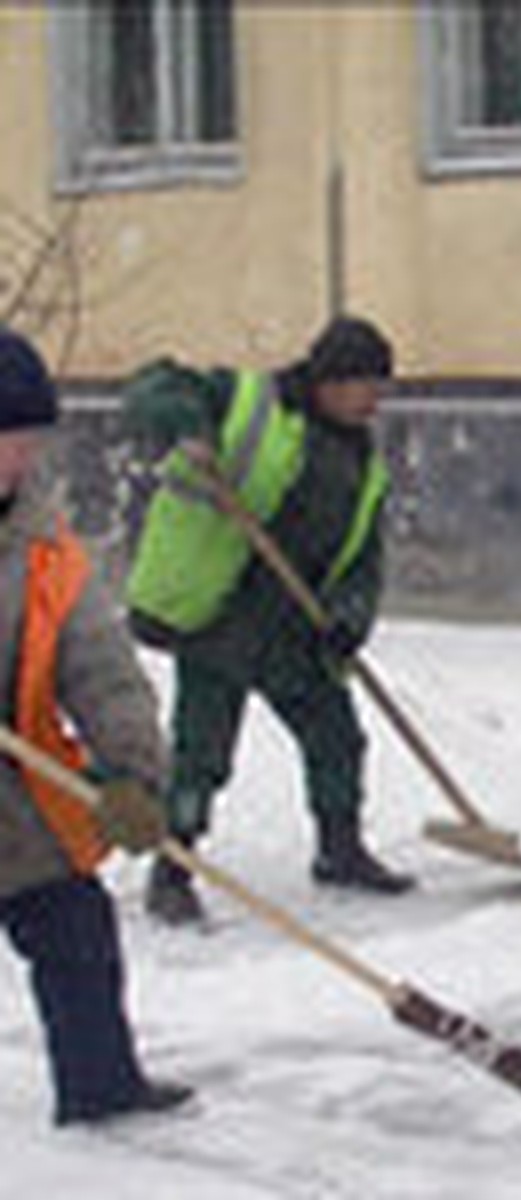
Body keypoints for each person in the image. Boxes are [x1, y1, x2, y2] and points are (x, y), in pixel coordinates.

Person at [125, 316, 415, 926]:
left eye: (381, 388)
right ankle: (173, 871)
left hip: (296, 631)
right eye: (366, 385)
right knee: (201, 754)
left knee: (337, 738)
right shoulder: (247, 402)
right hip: (219, 617)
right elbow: (154, 385)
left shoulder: (363, 462)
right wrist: (191, 429)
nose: (374, 400)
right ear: (329, 380)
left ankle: (340, 851)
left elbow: (364, 559)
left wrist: (347, 619)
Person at [0, 326, 192, 1124]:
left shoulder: (45, 547)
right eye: (3, 439)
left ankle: (102, 1088)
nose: (17, 459)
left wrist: (130, 773)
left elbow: (102, 670)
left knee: (76, 925)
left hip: (14, 787)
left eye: (27, 440)